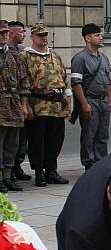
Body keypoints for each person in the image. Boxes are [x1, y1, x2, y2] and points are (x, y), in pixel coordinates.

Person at [19, 23, 72, 187]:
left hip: (57, 105)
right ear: (32, 36)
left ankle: (51, 170)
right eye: (40, 35)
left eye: (45, 35)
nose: (43, 38)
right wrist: (25, 105)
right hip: (38, 104)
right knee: (37, 141)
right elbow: (23, 82)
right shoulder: (25, 56)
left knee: (55, 140)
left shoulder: (54, 55)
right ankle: (39, 171)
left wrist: (69, 102)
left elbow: (64, 78)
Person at [71, 23, 111, 171]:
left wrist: (109, 101)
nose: (101, 38)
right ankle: (89, 163)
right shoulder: (80, 59)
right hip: (90, 100)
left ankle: (101, 162)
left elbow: (108, 81)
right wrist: (84, 104)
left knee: (103, 134)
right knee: (89, 135)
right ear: (88, 38)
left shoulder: (104, 58)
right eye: (97, 35)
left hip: (103, 101)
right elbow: (76, 84)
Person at [0, 20, 31, 193]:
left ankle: (7, 174)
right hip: (1, 104)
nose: (4, 36)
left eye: (5, 33)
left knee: (12, 144)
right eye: (1, 33)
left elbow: (23, 80)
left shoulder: (15, 55)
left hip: (14, 104)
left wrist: (24, 105)